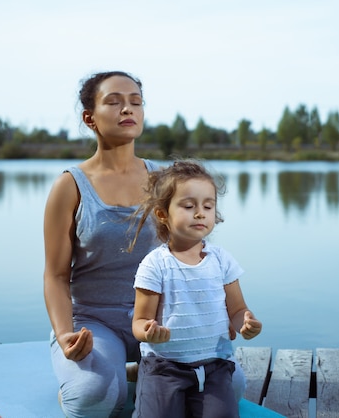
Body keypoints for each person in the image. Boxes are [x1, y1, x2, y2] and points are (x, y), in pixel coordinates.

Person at [42, 72, 246, 418]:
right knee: (91, 397)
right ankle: (111, 378)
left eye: (136, 101)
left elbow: (196, 253)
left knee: (234, 383)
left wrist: (226, 313)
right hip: (95, 322)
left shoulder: (167, 182)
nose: (128, 109)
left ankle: (136, 375)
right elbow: (56, 275)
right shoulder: (70, 186)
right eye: (114, 101)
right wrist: (65, 336)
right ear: (89, 118)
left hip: (163, 319)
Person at [129, 159, 262, 418]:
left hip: (214, 366)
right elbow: (139, 322)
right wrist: (148, 332)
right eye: (189, 206)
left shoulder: (222, 260)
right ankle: (137, 384)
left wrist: (245, 322)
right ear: (163, 214)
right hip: (164, 367)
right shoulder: (155, 264)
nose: (200, 212)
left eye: (208, 206)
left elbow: (237, 309)